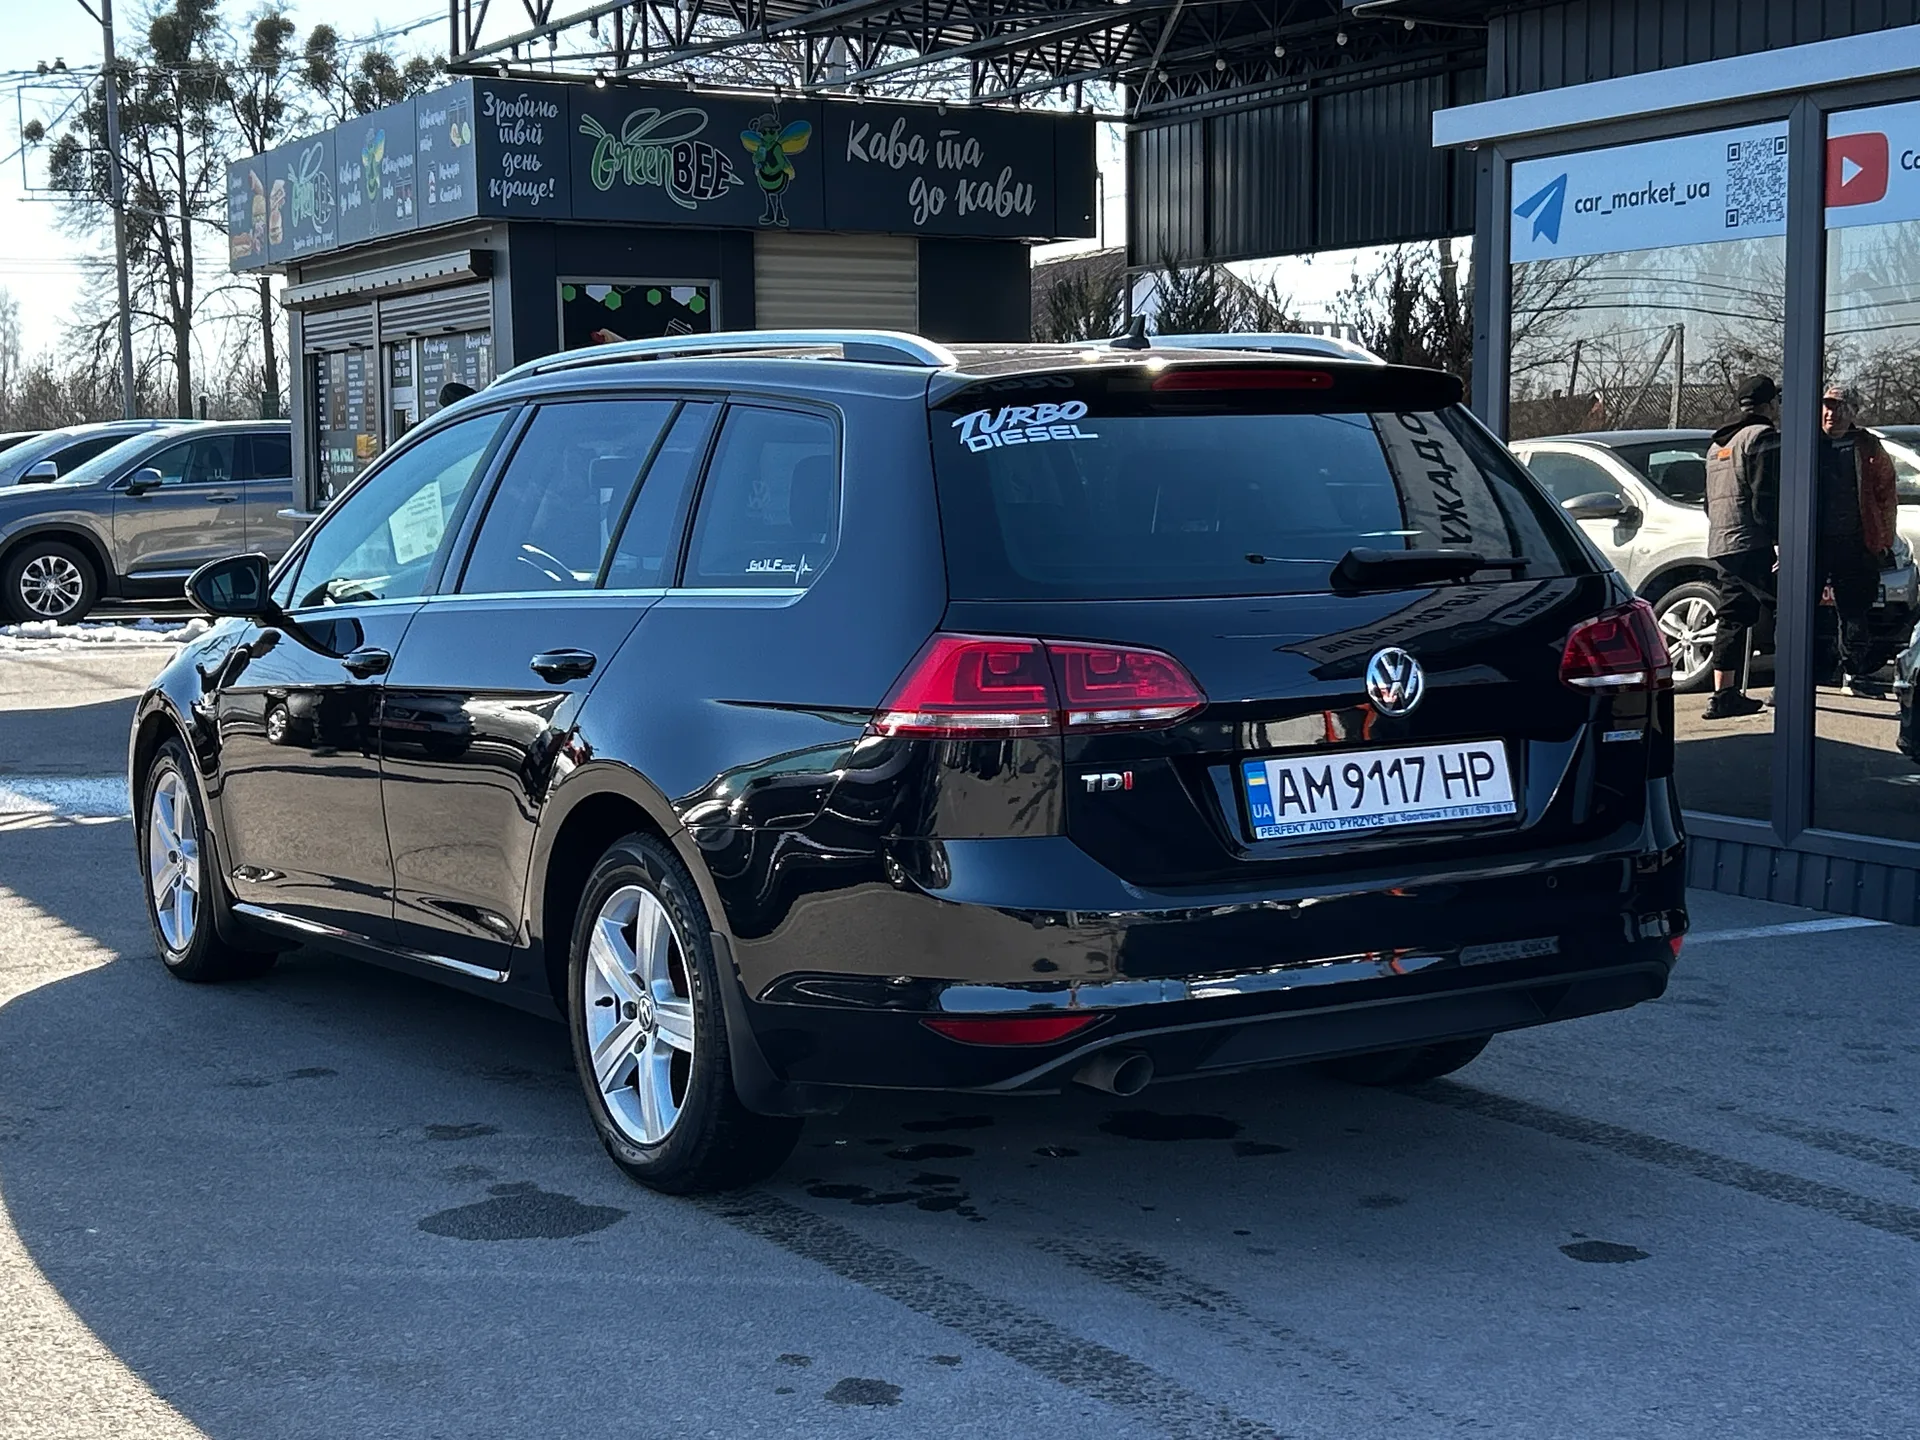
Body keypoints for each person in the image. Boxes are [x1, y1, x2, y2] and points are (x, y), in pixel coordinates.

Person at [1702, 374, 1781, 719]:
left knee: (1732, 616)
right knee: (1786, 608)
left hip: (1723, 539)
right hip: (1752, 540)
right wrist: (1780, 539)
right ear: (1770, 405)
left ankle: (1723, 695)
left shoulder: (1719, 444)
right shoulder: (1762, 437)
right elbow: (1766, 495)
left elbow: (1709, 501)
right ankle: (1788, 684)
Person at [1815, 384, 1898, 695]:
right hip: (1813, 542)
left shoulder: (1867, 446)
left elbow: (1886, 494)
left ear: (1852, 412)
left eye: (1837, 407)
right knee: (1800, 609)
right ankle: (1797, 676)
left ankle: (1854, 675)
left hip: (1855, 542)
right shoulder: (1809, 442)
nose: (1830, 413)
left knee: (1854, 610)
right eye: (1826, 406)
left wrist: (1883, 539)